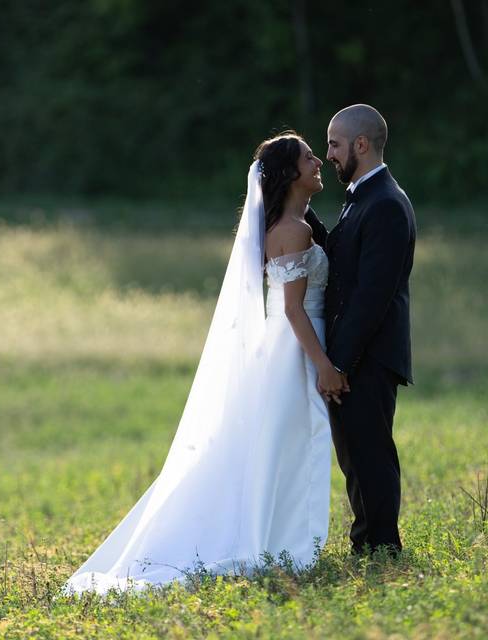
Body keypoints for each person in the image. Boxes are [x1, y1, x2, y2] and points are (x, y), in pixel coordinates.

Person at [63, 132, 341, 595]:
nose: (318, 163)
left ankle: (277, 536)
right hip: (295, 348)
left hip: (284, 346)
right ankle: (279, 541)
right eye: (310, 157)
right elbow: (293, 309)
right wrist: (325, 365)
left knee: (280, 447)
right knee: (288, 445)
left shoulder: (289, 225)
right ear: (291, 174)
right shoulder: (294, 231)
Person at [305, 104, 416, 556]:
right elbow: (341, 259)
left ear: (361, 144)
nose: (328, 153)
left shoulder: (386, 204)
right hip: (356, 355)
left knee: (369, 453)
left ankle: (382, 546)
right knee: (355, 454)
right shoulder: (363, 197)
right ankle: (366, 542)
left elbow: (372, 297)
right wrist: (297, 210)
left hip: (368, 356)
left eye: (334, 144)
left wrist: (338, 364)